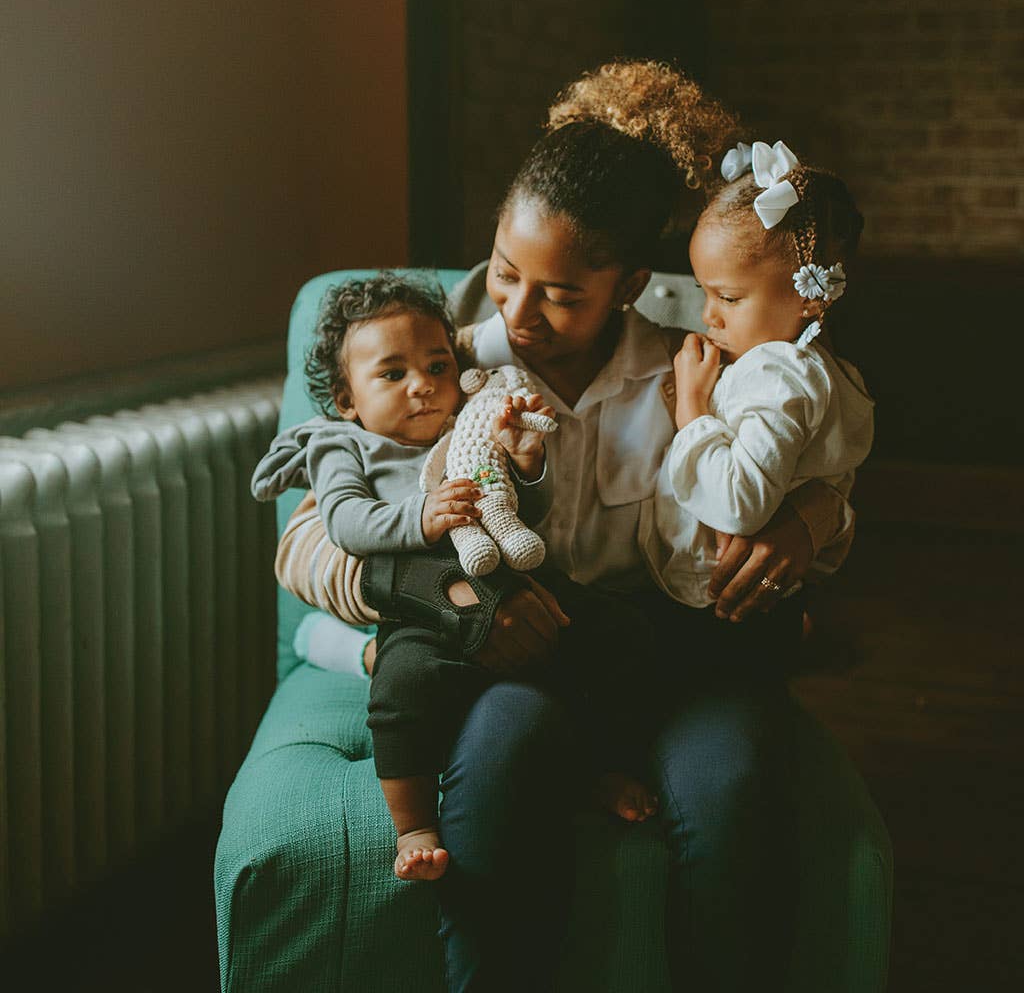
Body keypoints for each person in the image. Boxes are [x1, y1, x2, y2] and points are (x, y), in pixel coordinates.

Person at [273, 61, 856, 991]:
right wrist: (455, 599)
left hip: (675, 654)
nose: (518, 312)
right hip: (528, 655)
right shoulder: (432, 357)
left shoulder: (696, 369)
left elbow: (819, 458)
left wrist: (812, 522)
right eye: (505, 273)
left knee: (732, 788)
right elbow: (305, 541)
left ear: (629, 285)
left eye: (560, 293)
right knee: (503, 758)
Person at [250, 273, 557, 881]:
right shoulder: (343, 445)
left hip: (502, 584)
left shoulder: (468, 424)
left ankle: (599, 769)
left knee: (572, 645)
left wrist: (525, 463)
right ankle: (414, 825)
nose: (423, 387)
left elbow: (524, 516)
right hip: (418, 616)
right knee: (399, 690)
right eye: (392, 375)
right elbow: (345, 523)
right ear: (347, 398)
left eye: (437, 366)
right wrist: (420, 517)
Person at [640, 139, 874, 609]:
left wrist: (691, 409)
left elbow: (738, 505)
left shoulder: (777, 374)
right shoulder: (825, 370)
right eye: (704, 292)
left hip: (719, 597)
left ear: (812, 297)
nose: (709, 315)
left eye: (728, 298)